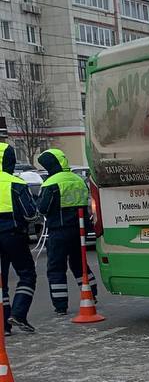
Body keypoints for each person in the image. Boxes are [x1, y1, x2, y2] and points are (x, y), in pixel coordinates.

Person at [37, 148, 97, 316]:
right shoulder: (78, 180)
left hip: (59, 230)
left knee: (56, 268)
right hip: (79, 230)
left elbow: (43, 208)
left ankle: (60, 305)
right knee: (80, 265)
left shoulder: (51, 183)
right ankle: (92, 294)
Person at [0, 141, 38, 335]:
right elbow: (30, 213)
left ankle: (3, 326)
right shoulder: (15, 183)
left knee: (1, 281)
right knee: (27, 274)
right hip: (13, 235)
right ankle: (18, 313)